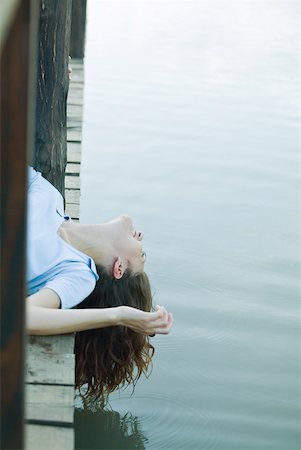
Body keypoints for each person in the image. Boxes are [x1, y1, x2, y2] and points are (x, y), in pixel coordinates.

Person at [26, 167, 173, 403]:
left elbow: (23, 317)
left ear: (119, 268)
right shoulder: (53, 199)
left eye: (142, 254)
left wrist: (119, 315)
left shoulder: (75, 272)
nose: (140, 237)